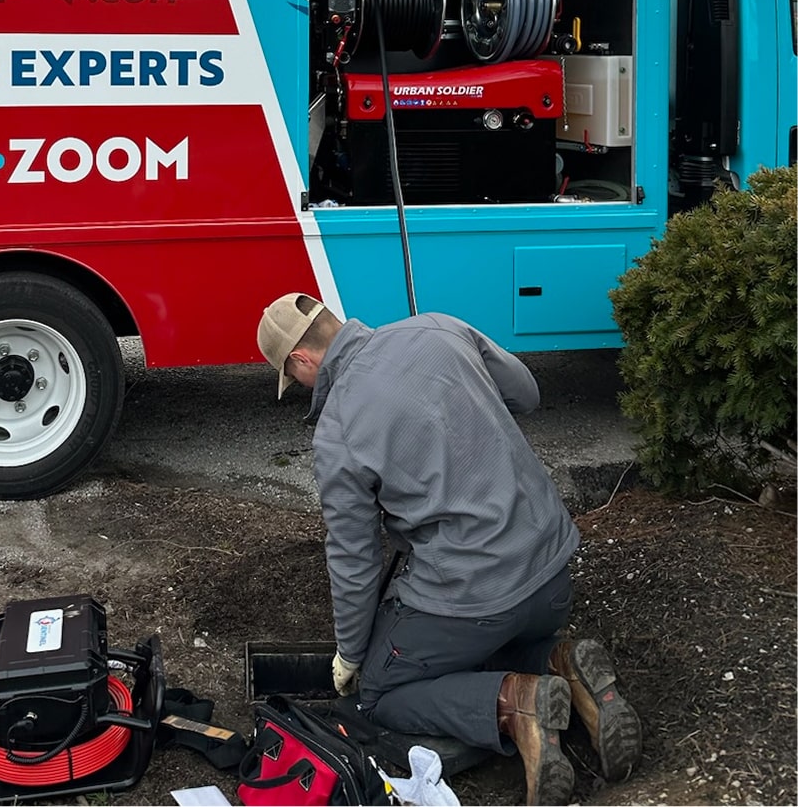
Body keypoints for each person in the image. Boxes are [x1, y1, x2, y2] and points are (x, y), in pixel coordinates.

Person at [256, 293, 643, 806]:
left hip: (475, 599)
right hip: (551, 576)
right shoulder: (438, 328)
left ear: (301, 360)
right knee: (484, 643)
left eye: (294, 378)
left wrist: (350, 654)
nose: (302, 388)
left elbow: (354, 558)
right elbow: (526, 393)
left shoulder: (337, 430)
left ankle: (517, 703)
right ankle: (561, 662)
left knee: (382, 692)